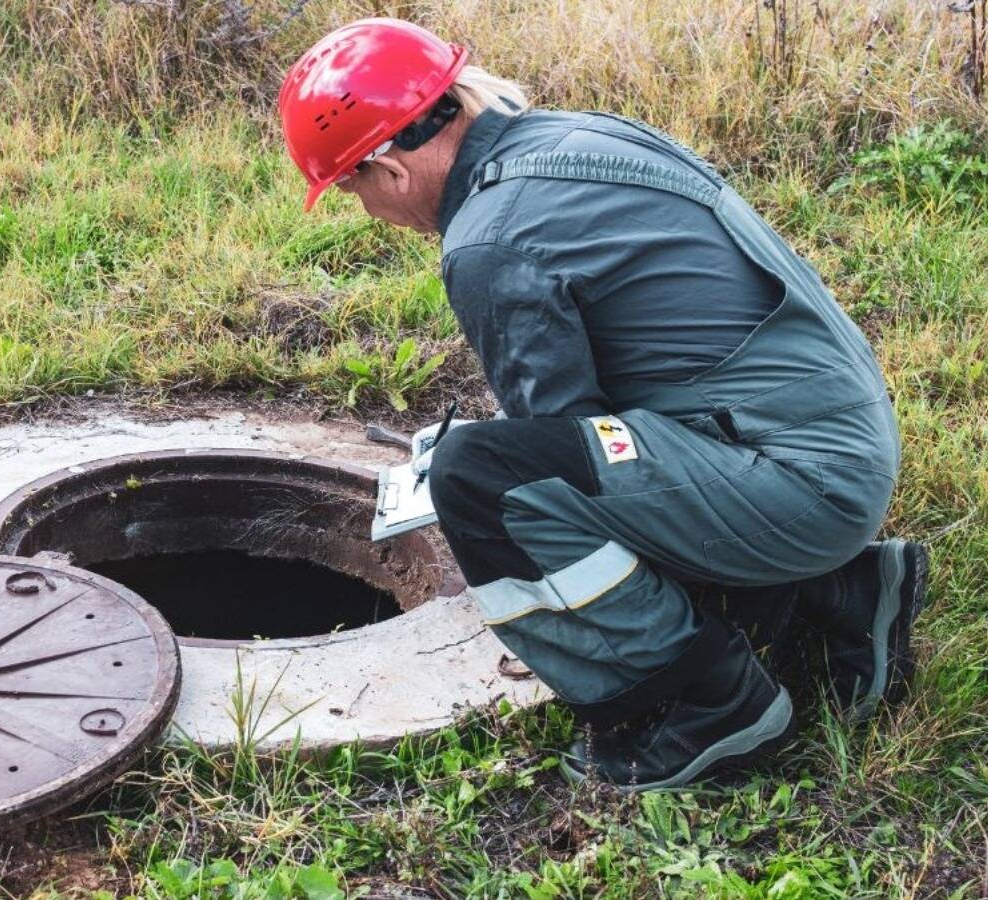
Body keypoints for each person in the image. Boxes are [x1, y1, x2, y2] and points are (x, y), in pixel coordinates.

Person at [277, 18, 929, 790]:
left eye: (352, 188)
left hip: (797, 480)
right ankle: (838, 593)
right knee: (541, 463)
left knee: (485, 484)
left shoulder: (488, 239)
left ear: (388, 168)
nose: (367, 210)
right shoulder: (574, 137)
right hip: (834, 435)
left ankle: (708, 701)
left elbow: (561, 443)